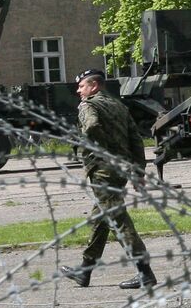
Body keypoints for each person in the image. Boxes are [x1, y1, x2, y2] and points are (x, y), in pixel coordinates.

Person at [59, 70, 158, 290]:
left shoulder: (88, 106)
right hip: (121, 169)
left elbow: (92, 126)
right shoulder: (119, 106)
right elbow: (136, 140)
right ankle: (84, 271)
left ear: (94, 86)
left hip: (103, 170)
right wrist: (138, 172)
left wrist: (98, 149)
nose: (78, 90)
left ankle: (145, 273)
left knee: (118, 220)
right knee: (100, 220)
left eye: (82, 86)